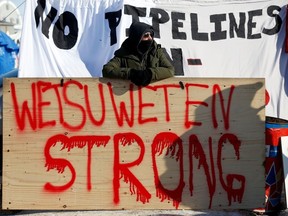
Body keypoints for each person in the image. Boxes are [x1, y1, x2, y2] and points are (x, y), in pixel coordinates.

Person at [102, 21, 174, 86]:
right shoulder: (124, 54)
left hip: (154, 94)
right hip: (131, 96)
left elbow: (170, 70)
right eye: (146, 35)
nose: (150, 38)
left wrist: (150, 74)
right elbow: (107, 69)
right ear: (137, 38)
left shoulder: (156, 51)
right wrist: (131, 73)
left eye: (151, 35)